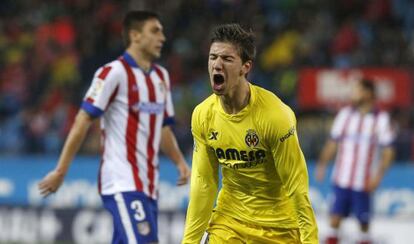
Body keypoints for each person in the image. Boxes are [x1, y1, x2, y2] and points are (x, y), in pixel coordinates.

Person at [38, 10, 190, 244]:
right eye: (155, 31)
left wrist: (180, 162)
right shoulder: (112, 73)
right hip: (122, 181)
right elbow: (82, 121)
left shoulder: (161, 77)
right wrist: (60, 171)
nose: (162, 38)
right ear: (135, 35)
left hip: (149, 185)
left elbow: (163, 128)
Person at [182, 23, 318, 244]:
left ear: (246, 66)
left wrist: (310, 240)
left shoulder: (275, 116)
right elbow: (203, 183)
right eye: (212, 57)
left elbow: (296, 185)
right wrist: (189, 242)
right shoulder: (203, 115)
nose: (217, 64)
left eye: (227, 59)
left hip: (279, 227)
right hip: (230, 221)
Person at [315, 79, 395, 244]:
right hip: (341, 179)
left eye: (357, 90)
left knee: (363, 224)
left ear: (368, 93)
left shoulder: (380, 118)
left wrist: (378, 177)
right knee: (335, 220)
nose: (353, 94)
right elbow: (332, 143)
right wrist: (322, 165)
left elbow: (388, 151)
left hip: (363, 182)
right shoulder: (345, 115)